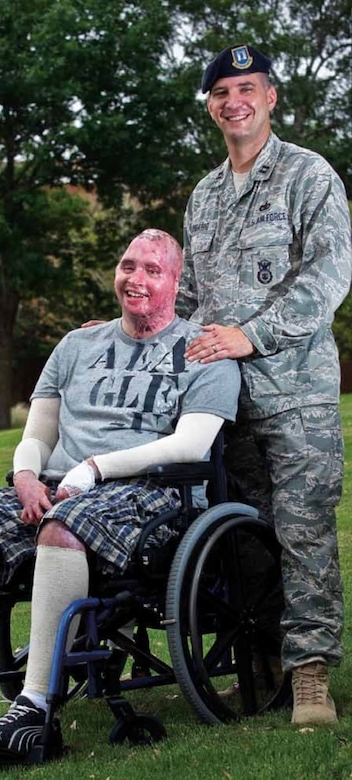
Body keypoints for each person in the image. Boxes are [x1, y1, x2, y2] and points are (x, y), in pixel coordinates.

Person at [0, 229, 240, 761]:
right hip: (60, 488)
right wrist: (25, 476)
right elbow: (37, 433)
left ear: (176, 282)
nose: (136, 278)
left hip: (150, 493)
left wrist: (94, 469)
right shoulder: (76, 346)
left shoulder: (205, 351)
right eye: (128, 266)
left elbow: (191, 444)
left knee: (65, 524)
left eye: (153, 270)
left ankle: (34, 710)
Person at [178, 44, 352, 725]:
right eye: (221, 92)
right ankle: (261, 667)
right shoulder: (204, 195)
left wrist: (251, 335)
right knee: (244, 540)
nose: (234, 102)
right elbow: (190, 297)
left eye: (246, 88)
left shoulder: (308, 175)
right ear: (211, 107)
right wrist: (145, 332)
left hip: (297, 395)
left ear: (270, 97)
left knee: (303, 534)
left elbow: (328, 276)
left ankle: (310, 675)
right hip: (224, 401)